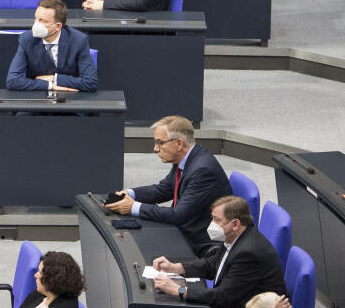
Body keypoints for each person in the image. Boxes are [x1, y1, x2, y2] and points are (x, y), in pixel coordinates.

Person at [106, 115, 231, 247]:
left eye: (160, 142)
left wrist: (133, 207)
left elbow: (179, 215)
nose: (155, 149)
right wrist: (129, 193)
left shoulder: (203, 170)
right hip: (183, 228)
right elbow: (163, 189)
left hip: (199, 241)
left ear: (179, 143)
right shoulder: (185, 158)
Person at [151, 196, 287, 306]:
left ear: (235, 224)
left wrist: (178, 290)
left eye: (217, 220)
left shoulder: (248, 253)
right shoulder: (237, 235)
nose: (212, 224)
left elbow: (223, 297)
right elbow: (213, 264)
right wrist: (175, 268)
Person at [6, 0, 98, 92]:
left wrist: (55, 78)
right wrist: (49, 85)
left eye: (43, 21)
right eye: (36, 18)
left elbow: (91, 83)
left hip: (71, 99)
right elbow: (12, 81)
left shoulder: (78, 40)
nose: (36, 24)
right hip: (38, 98)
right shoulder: (27, 39)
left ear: (58, 26)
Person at [17, 251, 85, 308]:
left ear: (54, 280)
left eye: (40, 273)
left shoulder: (65, 305)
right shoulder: (40, 293)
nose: (35, 275)